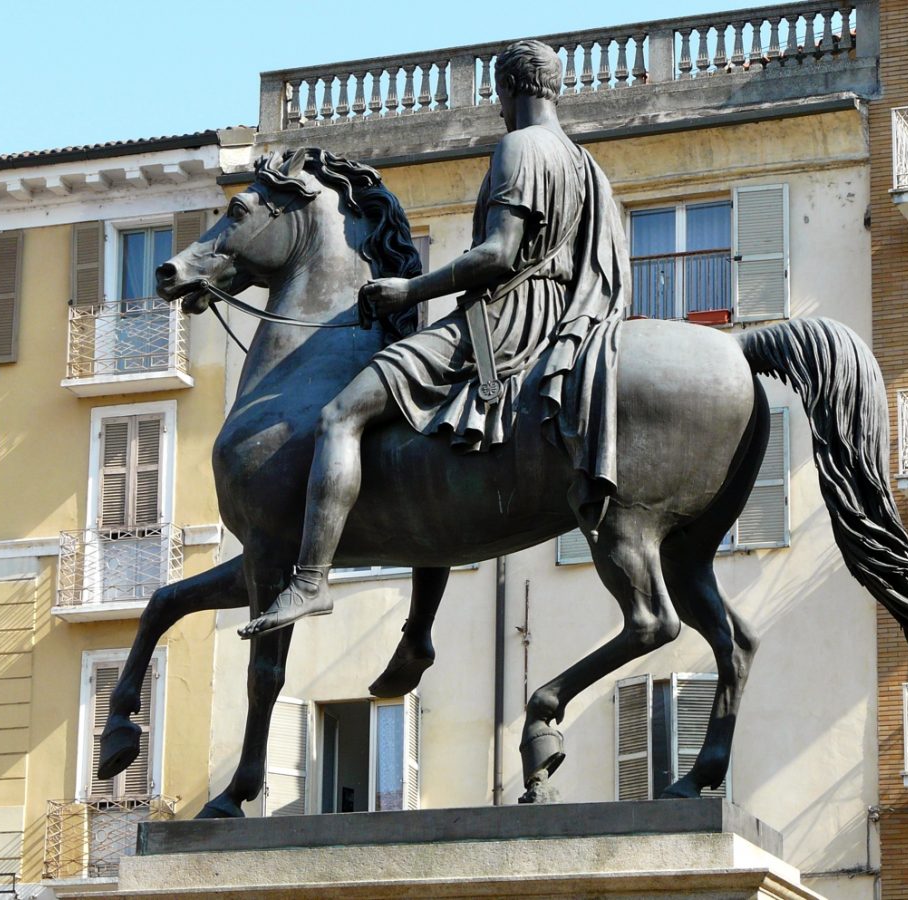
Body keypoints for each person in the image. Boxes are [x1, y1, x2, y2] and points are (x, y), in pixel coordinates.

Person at [239, 39, 631, 639]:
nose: (498, 109)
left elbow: (498, 254)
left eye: (498, 97)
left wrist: (410, 291)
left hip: (504, 321)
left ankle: (311, 579)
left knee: (341, 415)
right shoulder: (583, 162)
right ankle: (416, 634)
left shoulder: (521, 147)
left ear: (508, 90)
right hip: (559, 316)